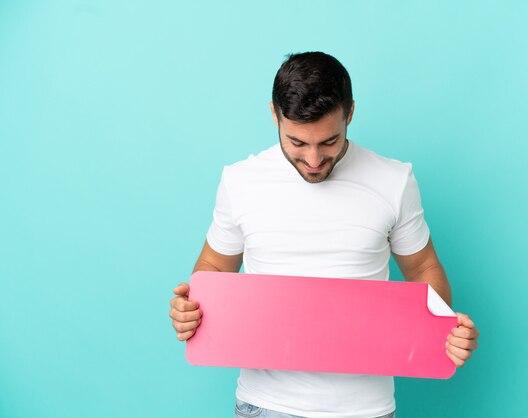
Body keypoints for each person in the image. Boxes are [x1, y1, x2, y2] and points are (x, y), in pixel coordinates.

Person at [169, 51, 480, 418]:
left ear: (350, 114)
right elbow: (213, 265)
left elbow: (424, 267)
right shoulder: (240, 181)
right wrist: (191, 309)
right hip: (265, 405)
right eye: (297, 143)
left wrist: (444, 329)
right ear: (274, 115)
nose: (314, 160)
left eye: (329, 142)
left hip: (365, 409)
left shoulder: (394, 181)